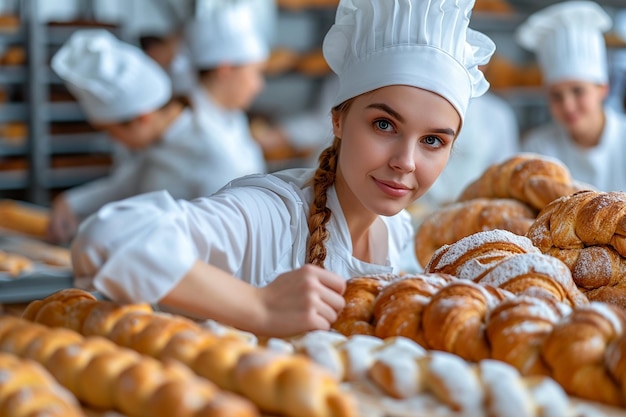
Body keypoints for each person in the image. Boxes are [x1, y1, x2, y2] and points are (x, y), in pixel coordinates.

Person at [70, 0, 496, 337]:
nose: (405, 161)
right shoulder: (271, 214)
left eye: (433, 141)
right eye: (384, 124)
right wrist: (258, 307)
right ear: (338, 120)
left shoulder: (398, 234)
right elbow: (109, 236)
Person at [46, 30, 237, 244]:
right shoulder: (162, 143)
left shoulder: (215, 156)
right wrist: (70, 203)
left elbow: (224, 245)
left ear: (143, 118)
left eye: (112, 131)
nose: (113, 140)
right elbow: (127, 185)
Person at [517, 1, 626, 192]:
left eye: (578, 91)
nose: (567, 105)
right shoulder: (538, 148)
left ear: (603, 88)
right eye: (556, 96)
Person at [183, 0, 269, 180]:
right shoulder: (188, 130)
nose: (259, 85)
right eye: (256, 72)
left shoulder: (232, 117)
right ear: (225, 70)